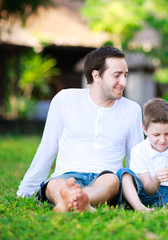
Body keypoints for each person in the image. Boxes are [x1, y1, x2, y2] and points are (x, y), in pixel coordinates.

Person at [16, 46, 144, 212]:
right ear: (96, 75)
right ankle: (78, 202)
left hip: (104, 176)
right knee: (54, 183)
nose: (124, 82)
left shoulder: (132, 110)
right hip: (66, 176)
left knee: (112, 182)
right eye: (117, 75)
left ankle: (71, 201)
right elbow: (47, 148)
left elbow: (136, 160)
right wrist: (25, 190)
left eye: (125, 75)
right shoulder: (65, 99)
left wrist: (144, 194)